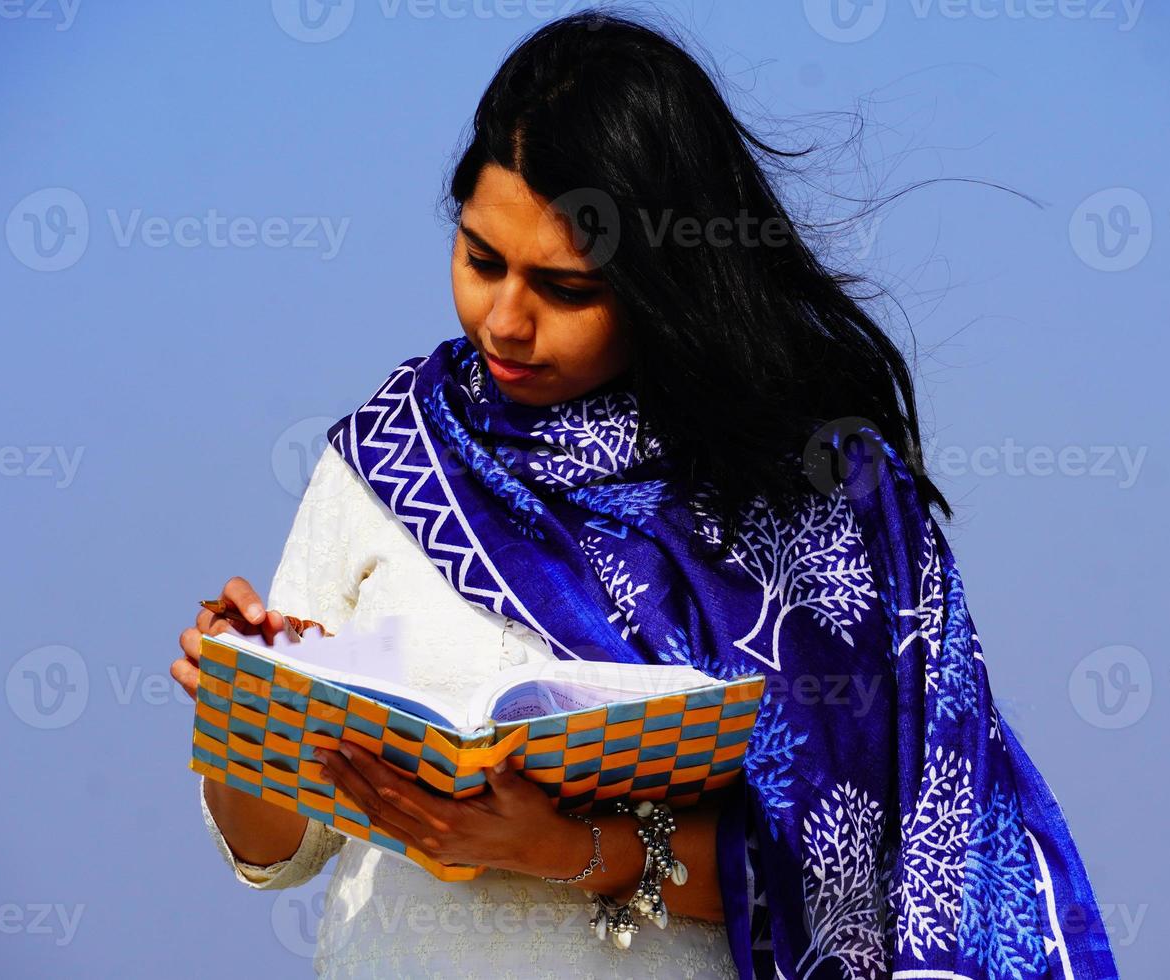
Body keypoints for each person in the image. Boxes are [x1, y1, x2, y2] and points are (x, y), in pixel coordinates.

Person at [171, 11, 1118, 979]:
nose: (505, 321)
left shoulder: (809, 497)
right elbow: (276, 850)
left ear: (667, 281)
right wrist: (246, 711)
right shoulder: (397, 451)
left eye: (565, 288)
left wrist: (554, 846)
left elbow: (858, 875)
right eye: (481, 260)